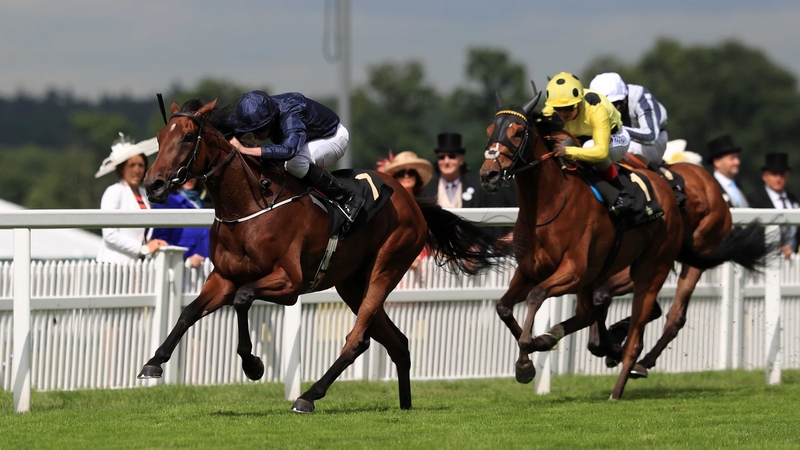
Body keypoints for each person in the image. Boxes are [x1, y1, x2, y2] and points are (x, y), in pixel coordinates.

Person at [227, 90, 363, 223]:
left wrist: (245, 149)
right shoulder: (255, 112)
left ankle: (347, 197)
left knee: (294, 163)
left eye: (258, 131)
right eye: (250, 131)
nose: (255, 136)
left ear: (270, 120)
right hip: (307, 141)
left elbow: (289, 150)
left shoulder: (292, 112)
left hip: (332, 138)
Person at [542, 72, 635, 214]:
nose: (563, 113)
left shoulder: (596, 108)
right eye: (558, 109)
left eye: (569, 107)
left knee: (589, 147)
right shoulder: (550, 109)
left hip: (616, 138)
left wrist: (567, 152)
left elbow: (601, 151)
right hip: (582, 139)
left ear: (579, 102)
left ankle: (622, 193)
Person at [422, 132, 517, 238]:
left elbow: (487, 225)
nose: (446, 161)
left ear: (461, 160)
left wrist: (476, 248)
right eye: (442, 157)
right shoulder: (426, 190)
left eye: (452, 156)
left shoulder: (478, 189)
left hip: (470, 250)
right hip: (434, 251)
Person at [95, 135, 168, 263]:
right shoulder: (114, 191)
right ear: (122, 169)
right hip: (114, 264)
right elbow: (110, 234)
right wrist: (142, 249)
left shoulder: (144, 194)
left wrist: (153, 244)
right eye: (132, 165)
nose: (137, 170)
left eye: (141, 165)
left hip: (135, 265)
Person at [589, 72, 669, 165]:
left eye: (613, 105)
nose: (610, 111)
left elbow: (650, 137)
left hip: (653, 142)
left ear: (624, 99)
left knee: (611, 149)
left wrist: (616, 128)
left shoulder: (639, 95)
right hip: (622, 140)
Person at [378, 151, 434, 271]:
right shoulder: (389, 208)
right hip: (397, 266)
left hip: (426, 266)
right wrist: (406, 258)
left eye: (411, 172)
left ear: (417, 177)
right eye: (401, 173)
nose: (407, 176)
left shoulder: (426, 208)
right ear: (395, 178)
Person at [747, 152, 798, 259]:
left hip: (794, 262)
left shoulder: (794, 199)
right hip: (766, 260)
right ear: (765, 176)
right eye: (774, 174)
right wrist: (776, 247)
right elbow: (753, 233)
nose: (778, 179)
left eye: (782, 174)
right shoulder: (755, 200)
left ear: (787, 176)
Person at [150, 178, 211, 268]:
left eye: (192, 174)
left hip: (206, 272)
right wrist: (185, 260)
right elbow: (160, 242)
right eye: (184, 174)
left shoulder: (204, 205)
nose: (189, 178)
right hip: (177, 272)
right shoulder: (165, 203)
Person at [705, 134, 748, 208]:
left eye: (737, 158)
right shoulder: (710, 187)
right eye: (732, 158)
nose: (737, 162)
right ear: (717, 162)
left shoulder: (738, 186)